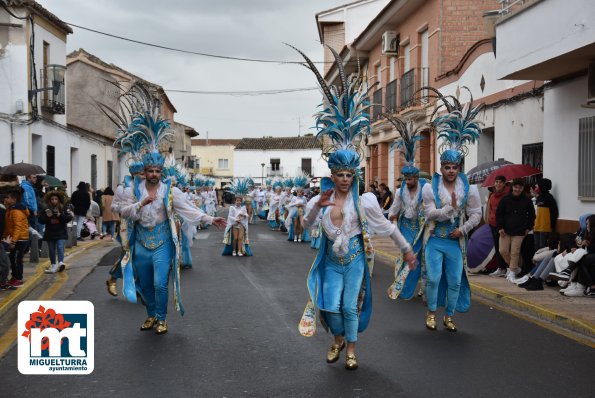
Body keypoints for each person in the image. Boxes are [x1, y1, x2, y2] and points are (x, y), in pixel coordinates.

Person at [293, 47, 415, 371]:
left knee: (349, 306)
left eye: (350, 175)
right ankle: (336, 339)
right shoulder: (320, 200)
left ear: (355, 176)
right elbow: (305, 227)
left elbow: (387, 227)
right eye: (340, 175)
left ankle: (350, 350)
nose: (345, 180)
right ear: (332, 175)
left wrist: (407, 250)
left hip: (356, 260)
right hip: (331, 261)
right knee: (330, 307)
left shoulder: (366, 201)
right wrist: (315, 206)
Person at [117, 99, 226, 334]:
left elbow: (188, 210)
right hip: (141, 241)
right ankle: (150, 315)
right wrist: (140, 203)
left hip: (163, 240)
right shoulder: (132, 190)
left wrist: (209, 219)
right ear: (144, 172)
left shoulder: (170, 190)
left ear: (161, 172)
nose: (154, 174)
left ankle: (162, 317)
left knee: (159, 283)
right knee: (143, 283)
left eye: (158, 171)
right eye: (150, 171)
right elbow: (121, 211)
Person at [421, 90, 483, 332]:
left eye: (454, 167)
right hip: (436, 239)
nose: (450, 171)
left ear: (459, 168)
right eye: (446, 167)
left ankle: (449, 316)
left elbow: (477, 214)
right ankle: (431, 313)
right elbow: (429, 214)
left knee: (456, 280)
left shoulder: (469, 188)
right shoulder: (431, 187)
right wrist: (449, 208)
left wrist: (464, 228)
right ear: (441, 167)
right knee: (435, 278)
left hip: (456, 240)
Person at [385, 114, 428, 300]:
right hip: (405, 227)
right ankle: (402, 284)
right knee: (407, 254)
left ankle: (419, 287)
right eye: (406, 178)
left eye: (410, 179)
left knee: (419, 257)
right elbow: (395, 207)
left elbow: (429, 206)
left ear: (416, 178)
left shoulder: (425, 188)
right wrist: (392, 217)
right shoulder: (400, 189)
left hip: (420, 227)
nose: (407, 181)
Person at [496, 179, 535, 282]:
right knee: (503, 250)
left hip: (520, 230)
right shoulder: (505, 199)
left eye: (520, 187)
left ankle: (512, 272)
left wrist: (528, 227)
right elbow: (499, 214)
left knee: (515, 252)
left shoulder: (527, 200)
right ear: (512, 187)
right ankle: (516, 268)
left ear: (522, 188)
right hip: (505, 230)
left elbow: (532, 215)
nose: (517, 189)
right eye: (516, 187)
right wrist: (500, 227)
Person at [39, 191, 72, 273]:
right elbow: (40, 220)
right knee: (51, 249)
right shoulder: (46, 209)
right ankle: (53, 265)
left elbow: (68, 218)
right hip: (50, 232)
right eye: (52, 199)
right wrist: (47, 216)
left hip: (61, 231)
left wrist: (60, 215)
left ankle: (60, 263)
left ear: (59, 200)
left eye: (56, 199)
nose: (54, 201)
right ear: (49, 200)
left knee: (60, 247)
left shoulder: (63, 208)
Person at [3, 188, 30, 288]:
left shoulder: (16, 211)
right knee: (13, 259)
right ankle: (14, 277)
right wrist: (4, 237)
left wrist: (13, 241)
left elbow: (17, 228)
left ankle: (18, 279)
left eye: (7, 197)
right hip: (16, 239)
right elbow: (8, 227)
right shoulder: (10, 210)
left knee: (16, 260)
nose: (5, 199)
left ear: (14, 200)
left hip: (20, 240)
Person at [486, 175, 510, 277]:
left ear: (504, 184)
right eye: (496, 182)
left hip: (503, 225)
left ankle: (509, 267)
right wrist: (488, 220)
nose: (498, 184)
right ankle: (501, 268)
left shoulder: (507, 196)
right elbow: (489, 209)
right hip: (492, 224)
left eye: (500, 182)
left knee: (504, 248)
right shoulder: (492, 195)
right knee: (497, 246)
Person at [222, 180, 253, 256]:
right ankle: (234, 250)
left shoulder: (243, 208)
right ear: (235, 201)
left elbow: (246, 215)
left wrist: (245, 215)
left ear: (241, 201)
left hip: (241, 224)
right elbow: (230, 216)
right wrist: (236, 219)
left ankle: (239, 251)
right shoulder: (232, 208)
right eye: (237, 201)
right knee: (235, 238)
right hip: (235, 224)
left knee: (240, 238)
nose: (238, 202)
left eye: (240, 201)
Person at [533, 178, 558, 250]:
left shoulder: (549, 197)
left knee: (543, 247)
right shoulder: (539, 197)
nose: (536, 187)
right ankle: (537, 261)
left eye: (537, 186)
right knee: (536, 246)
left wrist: (552, 225)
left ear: (542, 186)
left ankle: (541, 261)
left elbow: (554, 212)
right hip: (537, 225)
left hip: (545, 227)